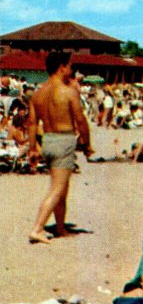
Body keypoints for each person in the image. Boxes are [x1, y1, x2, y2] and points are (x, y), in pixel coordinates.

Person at [27, 51, 93, 244]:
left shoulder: (38, 94)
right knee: (58, 188)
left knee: (62, 187)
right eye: (70, 66)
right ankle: (38, 228)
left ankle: (60, 227)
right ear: (62, 66)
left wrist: (32, 148)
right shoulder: (68, 92)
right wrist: (87, 145)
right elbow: (81, 121)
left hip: (47, 140)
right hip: (63, 140)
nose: (71, 70)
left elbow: (32, 124)